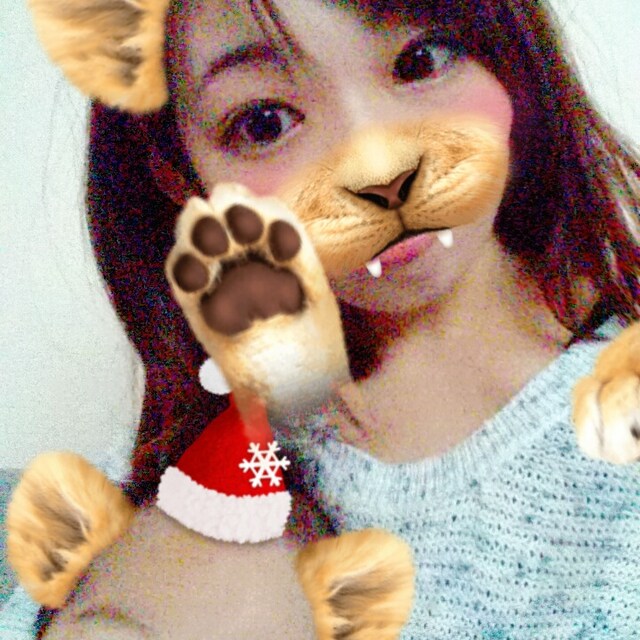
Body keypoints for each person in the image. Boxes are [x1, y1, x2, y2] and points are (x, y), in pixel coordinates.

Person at [26, 0, 640, 637]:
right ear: (181, 178)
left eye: (420, 61)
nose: (379, 168)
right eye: (264, 123)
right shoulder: (170, 492)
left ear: (511, 57)